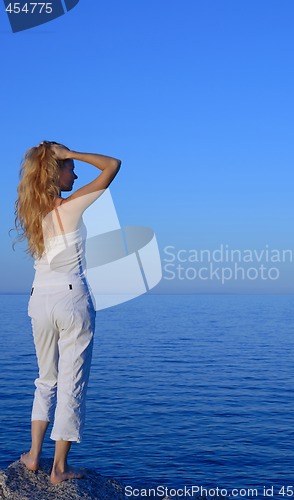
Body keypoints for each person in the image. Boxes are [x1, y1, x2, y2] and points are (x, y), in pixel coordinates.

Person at [13, 141, 121, 484]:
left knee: (46, 380)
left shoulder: (34, 213)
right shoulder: (69, 208)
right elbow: (112, 166)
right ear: (55, 171)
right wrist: (71, 152)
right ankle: (59, 469)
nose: (74, 173)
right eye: (69, 168)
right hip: (70, 297)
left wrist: (60, 157)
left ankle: (33, 455)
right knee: (72, 383)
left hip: (38, 300)